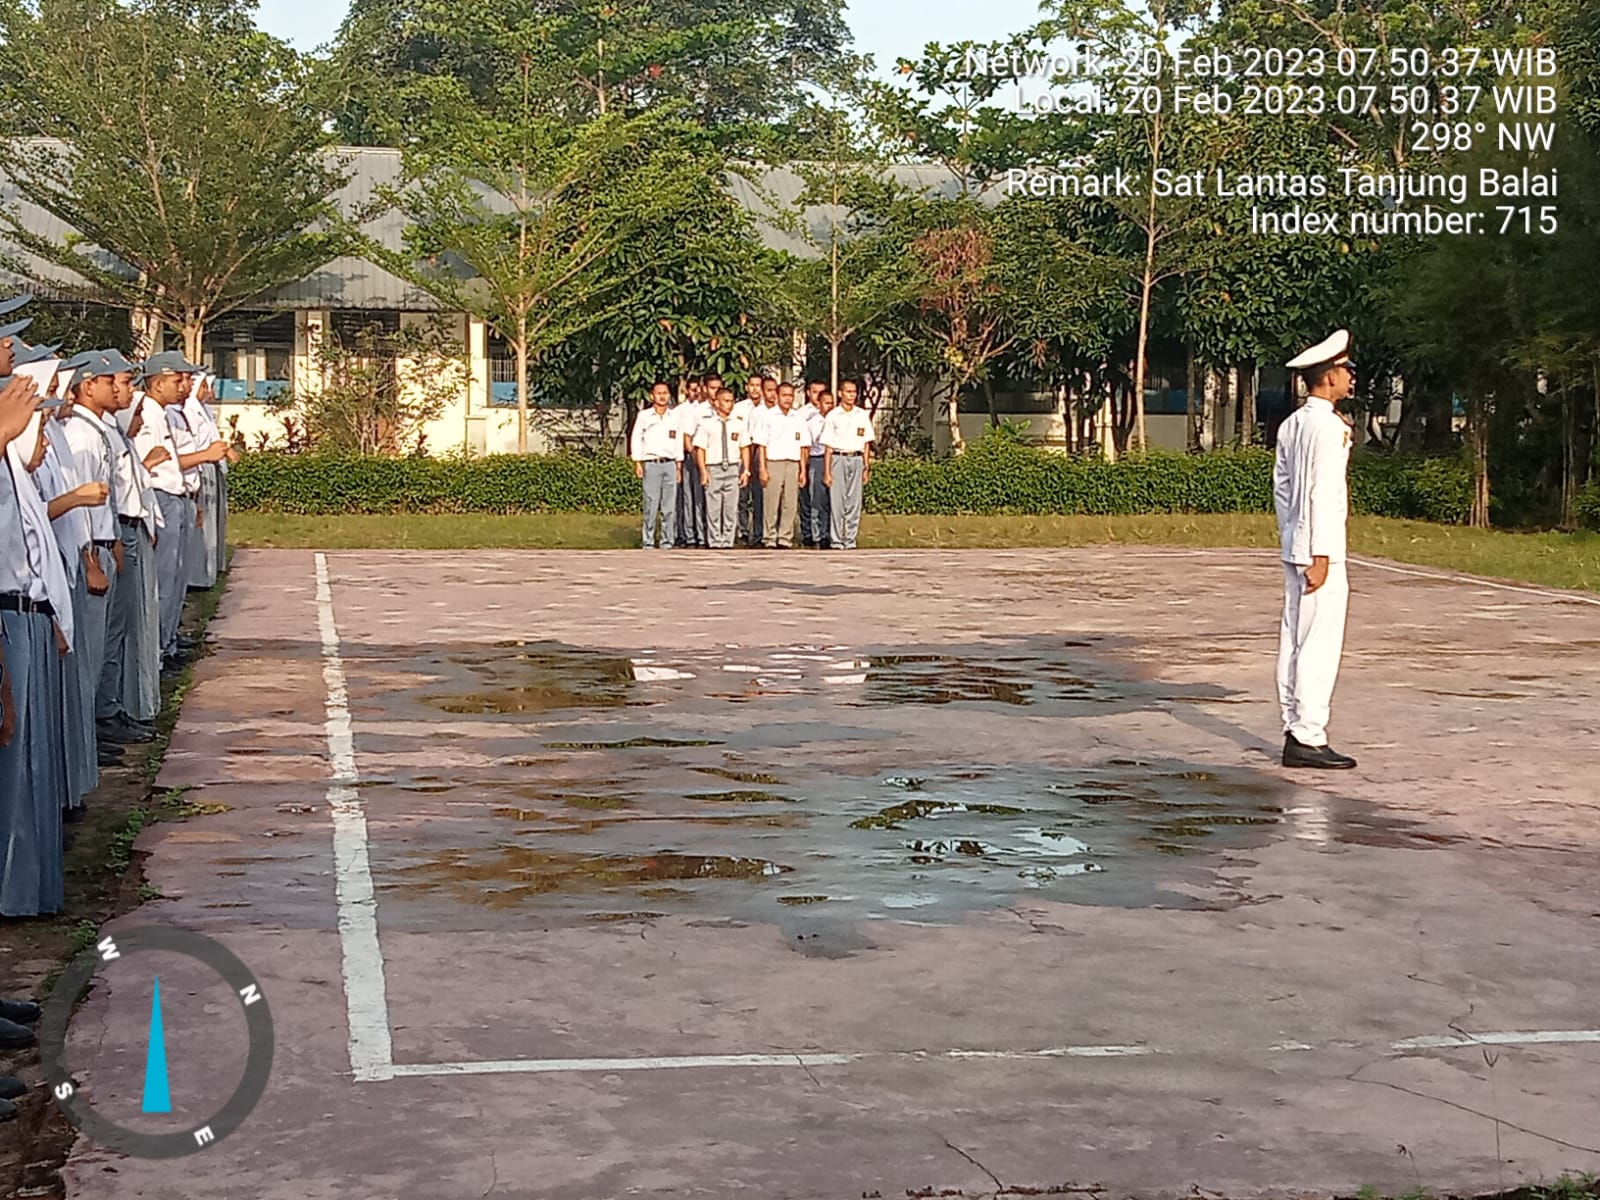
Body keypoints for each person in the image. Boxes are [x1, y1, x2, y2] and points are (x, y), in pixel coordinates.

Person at [0, 369, 71, 919]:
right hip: (9, 621)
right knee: (15, 777)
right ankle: (16, 894)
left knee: (28, 772)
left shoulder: (13, 473)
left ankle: (28, 893)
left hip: (25, 615)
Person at [1274, 330, 1358, 770]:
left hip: (1295, 544)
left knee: (1294, 638)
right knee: (1318, 643)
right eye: (1345, 370)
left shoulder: (1292, 424)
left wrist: (1294, 540)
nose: (1350, 378)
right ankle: (1308, 734)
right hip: (1319, 548)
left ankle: (1295, 726)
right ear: (1328, 376)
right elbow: (1322, 493)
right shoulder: (1329, 428)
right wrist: (1320, 553)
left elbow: (1284, 491)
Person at [693, 387, 749, 549]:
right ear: (716, 402)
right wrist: (703, 472)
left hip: (732, 468)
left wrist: (745, 470)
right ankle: (715, 540)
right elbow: (700, 449)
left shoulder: (739, 423)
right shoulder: (707, 424)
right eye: (725, 401)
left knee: (731, 508)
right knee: (714, 507)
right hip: (714, 467)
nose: (729, 404)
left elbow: (744, 447)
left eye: (731, 401)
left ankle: (728, 540)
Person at [822, 379, 875, 550]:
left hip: (857, 458)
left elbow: (866, 443)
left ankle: (850, 539)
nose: (851, 395)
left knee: (854, 501)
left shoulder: (861, 415)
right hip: (839, 457)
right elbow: (828, 446)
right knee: (837, 501)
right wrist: (827, 471)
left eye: (853, 392)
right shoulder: (833, 415)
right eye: (848, 392)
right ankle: (837, 539)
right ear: (840, 393)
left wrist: (867, 467)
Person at [755, 382, 808, 549]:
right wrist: (762, 468)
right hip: (774, 462)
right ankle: (769, 537)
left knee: (790, 503)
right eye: (784, 395)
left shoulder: (798, 418)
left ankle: (785, 537)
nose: (788, 399)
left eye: (790, 396)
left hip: (792, 463)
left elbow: (803, 446)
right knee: (771, 502)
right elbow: (761, 444)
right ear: (777, 396)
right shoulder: (768, 416)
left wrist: (803, 470)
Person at [630, 382, 681, 549]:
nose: (662, 396)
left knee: (669, 506)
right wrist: (638, 462)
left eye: (665, 393)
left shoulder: (674, 416)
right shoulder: (644, 416)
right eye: (658, 393)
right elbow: (636, 439)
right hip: (652, 463)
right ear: (652, 396)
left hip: (670, 464)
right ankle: (648, 540)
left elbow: (678, 441)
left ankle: (667, 541)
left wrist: (678, 466)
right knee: (651, 504)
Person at [673, 378, 711, 549]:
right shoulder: (686, 410)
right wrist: (693, 457)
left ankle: (706, 535)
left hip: (712, 458)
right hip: (691, 456)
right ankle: (689, 535)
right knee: (690, 498)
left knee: (707, 499)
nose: (697, 392)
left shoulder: (715, 408)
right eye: (694, 389)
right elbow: (685, 437)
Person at [802, 388, 832, 548]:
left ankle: (829, 533)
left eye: (831, 403)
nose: (829, 406)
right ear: (819, 404)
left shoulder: (835, 420)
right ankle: (816, 534)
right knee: (817, 500)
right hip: (817, 459)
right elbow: (806, 447)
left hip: (833, 459)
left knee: (831, 500)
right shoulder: (812, 423)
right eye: (826, 403)